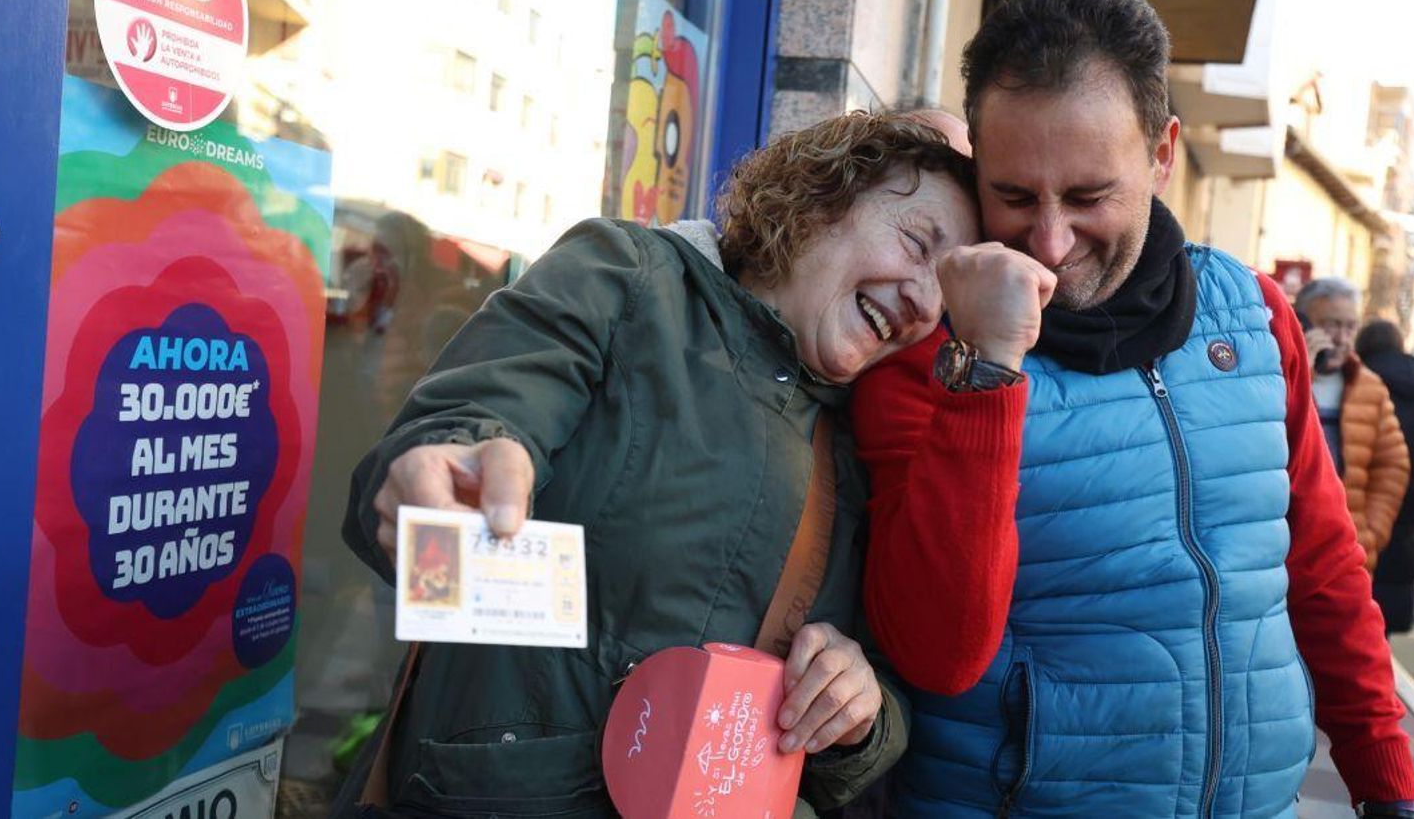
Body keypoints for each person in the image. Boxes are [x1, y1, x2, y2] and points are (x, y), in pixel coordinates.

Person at [851, 0, 1414, 817]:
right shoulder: (928, 350)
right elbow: (935, 653)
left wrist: (1387, 783)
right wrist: (986, 368)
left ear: (1162, 154)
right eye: (1013, 195)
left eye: (1088, 197)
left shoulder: (1257, 316)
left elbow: (1320, 565)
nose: (1050, 240)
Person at [331, 112, 980, 818]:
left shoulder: (858, 445)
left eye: (945, 296)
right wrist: (451, 466)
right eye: (918, 244)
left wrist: (857, 710)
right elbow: (482, 415)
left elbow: (873, 698)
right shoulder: (626, 275)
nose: (922, 302)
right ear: (823, 196)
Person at [1295, 280, 1411, 573]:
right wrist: (1301, 370)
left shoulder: (1368, 386)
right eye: (1331, 325)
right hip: (1285, 545)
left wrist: (1370, 534)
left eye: (1350, 327)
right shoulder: (1277, 378)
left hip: (1345, 554)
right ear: (1302, 321)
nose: (1341, 338)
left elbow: (1392, 466)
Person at [1355, 319, 1414, 633]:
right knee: (1398, 554)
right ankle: (1385, 629)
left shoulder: (1361, 379)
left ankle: (1364, 623)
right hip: (1410, 482)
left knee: (1367, 558)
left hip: (1366, 479)